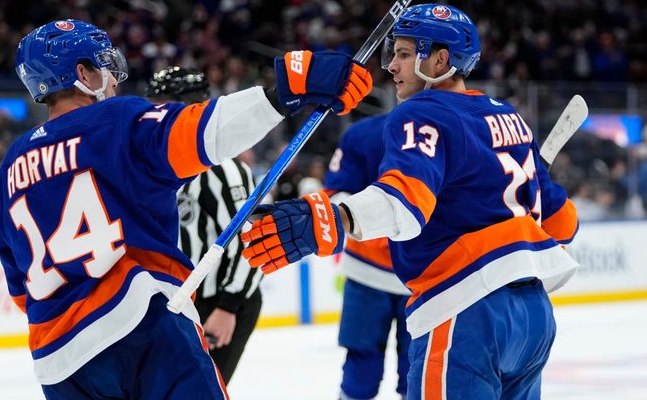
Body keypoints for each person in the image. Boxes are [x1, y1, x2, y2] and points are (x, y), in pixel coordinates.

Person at [0, 19, 371, 399]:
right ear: (81, 74)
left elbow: (18, 279)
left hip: (57, 359)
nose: (113, 80)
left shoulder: (12, 163)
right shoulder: (115, 120)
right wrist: (283, 94)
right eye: (103, 67)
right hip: (141, 324)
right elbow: (204, 131)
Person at [241, 4, 579, 399]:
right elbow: (563, 227)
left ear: (440, 60)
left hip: (467, 308)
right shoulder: (509, 117)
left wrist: (331, 218)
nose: (391, 67)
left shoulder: (423, 111)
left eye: (403, 54)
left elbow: (405, 203)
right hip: (533, 316)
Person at [147, 66, 264, 384]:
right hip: (179, 304)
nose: (153, 115)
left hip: (221, 304)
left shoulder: (223, 169)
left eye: (161, 105)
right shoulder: (157, 164)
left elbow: (252, 240)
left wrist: (229, 307)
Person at [325, 114, 410, 400]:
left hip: (426, 279)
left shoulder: (452, 128)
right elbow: (336, 194)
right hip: (371, 273)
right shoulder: (364, 134)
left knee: (420, 372)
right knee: (362, 372)